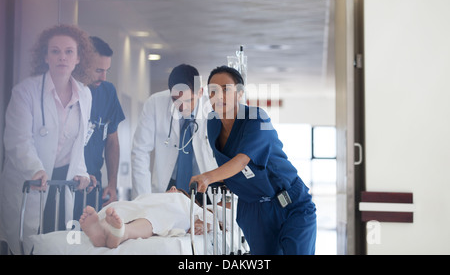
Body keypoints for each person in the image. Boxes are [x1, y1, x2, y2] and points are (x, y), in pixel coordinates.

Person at [190, 65, 317, 255]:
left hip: (290, 203)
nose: (220, 96)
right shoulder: (212, 122)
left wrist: (208, 177)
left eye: (226, 89)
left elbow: (242, 161)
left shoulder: (257, 119)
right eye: (214, 91)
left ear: (240, 94)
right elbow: (229, 167)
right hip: (253, 209)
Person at [0, 24, 93, 254]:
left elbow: (80, 141)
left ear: (79, 57)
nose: (62, 57)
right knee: (28, 244)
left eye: (69, 51)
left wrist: (80, 171)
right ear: (45, 56)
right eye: (55, 51)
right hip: (32, 181)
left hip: (63, 181)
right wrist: (35, 169)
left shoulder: (85, 93)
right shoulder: (25, 92)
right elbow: (18, 140)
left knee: (59, 243)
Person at [131, 64, 217, 199]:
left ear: (200, 92)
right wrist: (143, 199)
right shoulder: (155, 103)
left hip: (205, 186)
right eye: (176, 100)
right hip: (168, 186)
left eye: (189, 100)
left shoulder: (214, 107)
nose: (182, 107)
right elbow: (140, 152)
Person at [73, 36, 125, 221]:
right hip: (67, 181)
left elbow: (112, 141)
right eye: (98, 70)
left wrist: (112, 183)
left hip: (94, 185)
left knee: (88, 241)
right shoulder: (70, 90)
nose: (103, 77)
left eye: (106, 71)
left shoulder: (107, 92)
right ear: (81, 62)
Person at [79, 186, 213, 249]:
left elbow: (207, 218)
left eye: (179, 191)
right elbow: (139, 203)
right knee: (121, 209)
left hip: (167, 211)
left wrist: (201, 225)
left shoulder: (184, 203)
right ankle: (102, 229)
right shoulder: (152, 197)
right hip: (141, 205)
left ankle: (121, 233)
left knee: (154, 218)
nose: (173, 191)